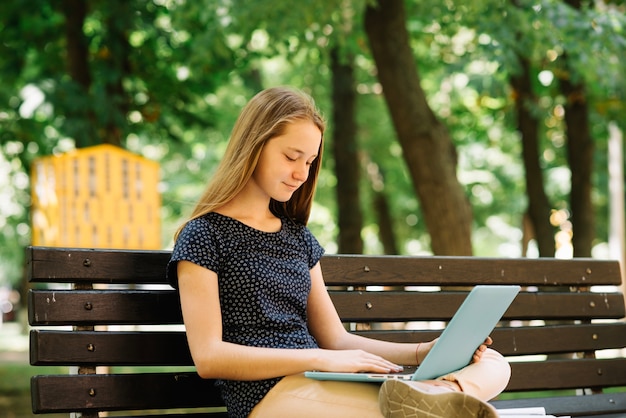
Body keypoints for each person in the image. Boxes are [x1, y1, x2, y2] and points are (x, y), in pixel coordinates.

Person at [167, 86, 511, 418]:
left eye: (310, 162)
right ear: (254, 146)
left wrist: (423, 353)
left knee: (493, 363)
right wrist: (317, 359)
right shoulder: (204, 236)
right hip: (267, 396)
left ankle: (437, 396)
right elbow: (209, 356)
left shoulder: (297, 238)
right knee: (395, 410)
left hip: (323, 380)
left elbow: (335, 338)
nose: (301, 173)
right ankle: (435, 402)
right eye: (291, 157)